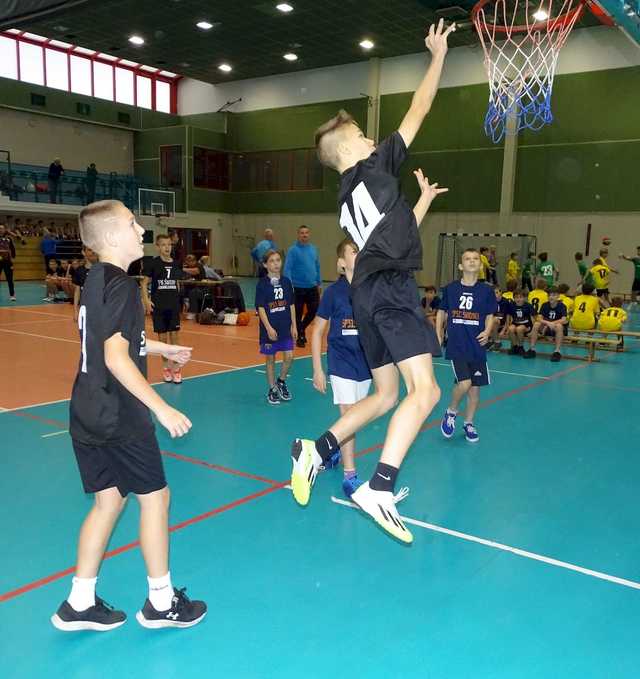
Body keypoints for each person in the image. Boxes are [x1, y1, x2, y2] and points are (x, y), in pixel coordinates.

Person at [292, 19, 454, 543]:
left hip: (368, 294)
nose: (371, 138)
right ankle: (379, 487)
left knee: (386, 395)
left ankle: (316, 449)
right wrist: (437, 58)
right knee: (425, 392)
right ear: (350, 151)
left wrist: (422, 203)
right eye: (363, 135)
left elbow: (389, 236)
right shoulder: (376, 165)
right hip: (391, 292)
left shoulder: (344, 198)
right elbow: (420, 110)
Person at [51, 199, 206, 632]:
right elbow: (116, 356)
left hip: (85, 411)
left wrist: (159, 348)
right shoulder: (121, 285)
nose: (141, 229)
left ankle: (79, 602)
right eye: (133, 222)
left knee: (108, 501)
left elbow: (108, 342)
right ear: (113, 236)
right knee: (155, 498)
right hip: (118, 413)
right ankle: (161, 602)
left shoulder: (94, 280)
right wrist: (162, 407)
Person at [311, 238, 372, 497]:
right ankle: (350, 477)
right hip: (340, 361)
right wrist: (317, 368)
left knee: (354, 419)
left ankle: (332, 450)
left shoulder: (370, 290)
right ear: (341, 262)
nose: (359, 254)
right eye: (354, 250)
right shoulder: (334, 292)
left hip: (366, 364)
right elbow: (317, 331)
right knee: (348, 414)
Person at [437, 249, 496, 443]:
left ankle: (469, 423)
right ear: (461, 266)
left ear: (480, 266)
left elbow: (490, 314)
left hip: (477, 345)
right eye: (467, 259)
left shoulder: (486, 291)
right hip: (457, 344)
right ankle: (451, 411)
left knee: (475, 390)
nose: (472, 261)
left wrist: (487, 332)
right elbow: (441, 312)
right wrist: (439, 335)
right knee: (465, 382)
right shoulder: (451, 289)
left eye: (475, 259)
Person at [141, 234, 186, 384]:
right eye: (163, 245)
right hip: (159, 306)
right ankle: (166, 368)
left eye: (169, 245)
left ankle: (177, 369)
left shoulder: (176, 264)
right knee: (162, 340)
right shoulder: (153, 264)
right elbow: (144, 283)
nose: (167, 247)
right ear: (158, 247)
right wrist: (146, 300)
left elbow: (177, 282)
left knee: (175, 338)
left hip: (173, 306)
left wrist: (180, 300)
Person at [255, 249, 297, 404]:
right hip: (270, 329)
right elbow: (260, 308)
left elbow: (291, 304)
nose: (276, 263)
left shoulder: (286, 282)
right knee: (270, 359)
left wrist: (294, 325)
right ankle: (272, 388)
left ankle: (281, 380)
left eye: (278, 260)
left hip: (285, 326)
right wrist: (268, 328)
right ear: (265, 264)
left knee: (289, 356)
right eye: (271, 261)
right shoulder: (262, 284)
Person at [284, 225, 321, 347]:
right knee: (297, 314)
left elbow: (317, 267)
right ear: (298, 235)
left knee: (314, 310)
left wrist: (319, 282)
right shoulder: (293, 250)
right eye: (302, 233)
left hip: (312, 287)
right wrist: (289, 284)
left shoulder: (314, 249)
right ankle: (300, 336)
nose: (304, 235)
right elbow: (287, 268)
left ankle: (301, 329)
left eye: (306, 233)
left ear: (309, 234)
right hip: (297, 287)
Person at [524, 286, 567, 362]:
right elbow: (539, 318)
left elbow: (563, 320)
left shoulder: (562, 306)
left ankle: (557, 351)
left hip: (556, 328)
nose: (551, 297)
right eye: (549, 295)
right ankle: (532, 349)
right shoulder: (545, 305)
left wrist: (551, 323)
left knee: (559, 326)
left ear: (558, 296)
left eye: (553, 295)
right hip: (546, 327)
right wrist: (547, 323)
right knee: (536, 324)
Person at [72, 246, 99, 320]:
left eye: (94, 250)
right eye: (90, 250)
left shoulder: (103, 269)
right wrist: (75, 311)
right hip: (85, 309)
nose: (93, 252)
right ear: (83, 252)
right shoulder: (79, 270)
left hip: (101, 309)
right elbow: (77, 291)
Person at [508, 289, 535, 355]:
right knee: (510, 329)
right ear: (514, 298)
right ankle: (515, 346)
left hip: (526, 325)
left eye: (520, 297)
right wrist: (507, 326)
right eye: (516, 297)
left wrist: (532, 330)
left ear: (524, 298)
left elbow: (532, 319)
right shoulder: (511, 305)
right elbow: (509, 316)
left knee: (519, 329)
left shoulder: (528, 306)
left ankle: (521, 347)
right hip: (515, 323)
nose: (518, 299)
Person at [489, 284, 512, 351]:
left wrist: (504, 330)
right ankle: (491, 340)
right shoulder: (490, 301)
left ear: (501, 292)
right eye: (493, 293)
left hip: (502, 323)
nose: (495, 295)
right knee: (492, 319)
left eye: (496, 292)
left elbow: (508, 317)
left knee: (495, 319)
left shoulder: (505, 302)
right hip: (493, 322)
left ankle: (497, 341)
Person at [0, 223, 16, 301]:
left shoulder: (9, 239)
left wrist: (13, 257)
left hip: (7, 261)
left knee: (9, 279)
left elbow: (13, 249)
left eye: (2, 228)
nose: (0, 230)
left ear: (4, 229)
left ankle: (12, 295)